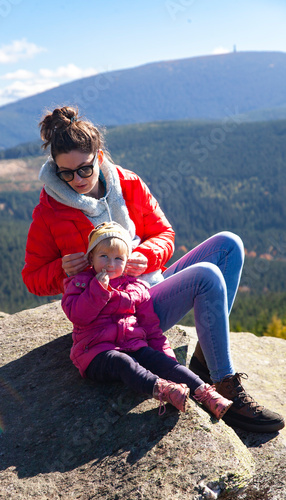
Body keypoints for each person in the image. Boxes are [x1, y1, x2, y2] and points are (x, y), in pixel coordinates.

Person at [22, 105, 285, 433]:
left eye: (85, 169)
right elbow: (32, 277)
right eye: (66, 173)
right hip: (120, 314)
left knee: (228, 245)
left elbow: (165, 235)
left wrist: (146, 255)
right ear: (55, 169)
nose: (76, 179)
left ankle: (206, 360)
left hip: (148, 284)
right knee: (206, 276)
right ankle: (222, 384)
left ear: (99, 157)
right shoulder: (50, 211)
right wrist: (62, 271)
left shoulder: (127, 184)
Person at [62, 221, 233, 419]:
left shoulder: (136, 288)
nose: (110, 264)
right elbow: (78, 316)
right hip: (95, 352)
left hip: (133, 344)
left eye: (118, 258)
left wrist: (167, 362)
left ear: (127, 262)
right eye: (103, 256)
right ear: (91, 257)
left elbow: (151, 329)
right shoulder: (81, 283)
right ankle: (163, 390)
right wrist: (97, 290)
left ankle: (206, 393)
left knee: (162, 362)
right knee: (122, 363)